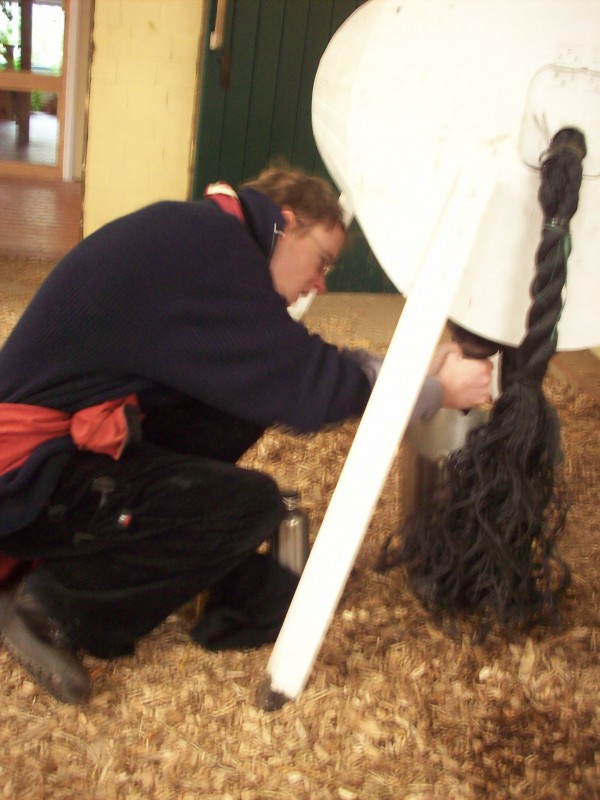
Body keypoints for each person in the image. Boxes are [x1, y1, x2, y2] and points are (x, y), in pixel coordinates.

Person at [0, 165, 492, 704]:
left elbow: (293, 363)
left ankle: (149, 560)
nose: (321, 284)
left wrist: (416, 376)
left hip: (48, 460)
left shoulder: (209, 238)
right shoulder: (212, 253)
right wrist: (437, 393)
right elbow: (310, 389)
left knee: (234, 410)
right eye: (322, 261)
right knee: (246, 506)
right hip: (23, 482)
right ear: (288, 223)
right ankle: (51, 608)